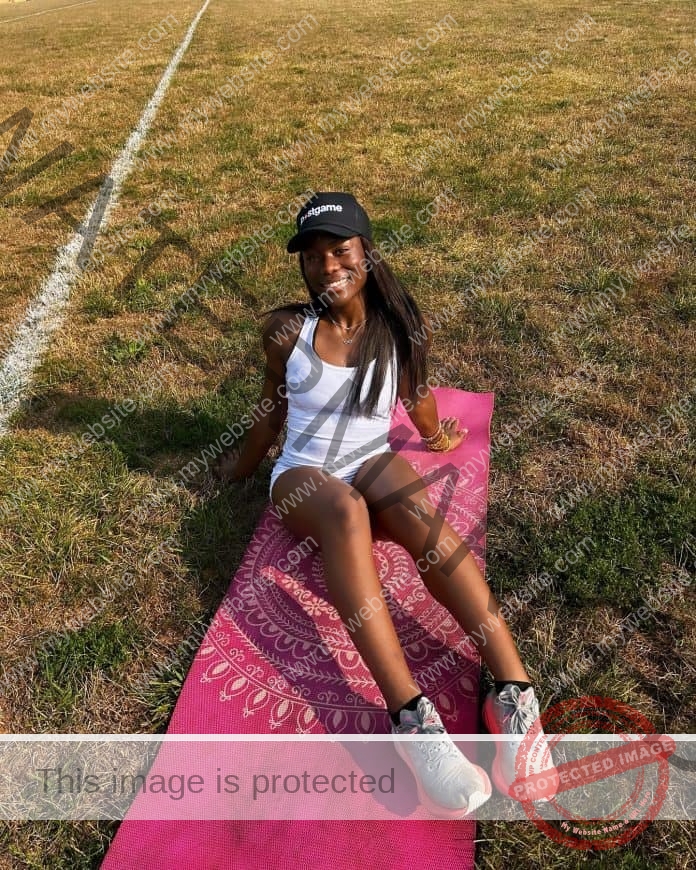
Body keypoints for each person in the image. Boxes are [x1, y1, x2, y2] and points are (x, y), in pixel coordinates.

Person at [215, 192, 555, 817]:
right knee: (345, 510)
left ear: (366, 253)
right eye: (312, 256)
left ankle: (513, 693)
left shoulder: (396, 329)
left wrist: (435, 436)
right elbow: (271, 414)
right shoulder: (288, 332)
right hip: (304, 475)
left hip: (371, 457)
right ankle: (411, 717)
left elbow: (416, 393)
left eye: (339, 250)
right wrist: (238, 468)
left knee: (423, 518)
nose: (326, 266)